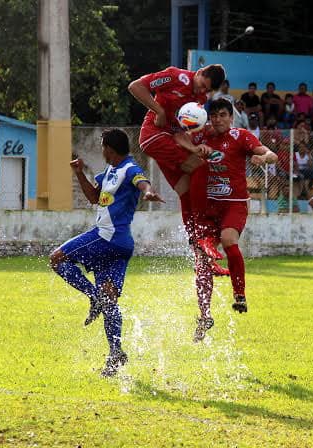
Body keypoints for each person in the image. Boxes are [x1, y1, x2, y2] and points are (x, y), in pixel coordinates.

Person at [50, 129, 164, 377]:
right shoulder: (109, 172)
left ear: (109, 148)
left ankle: (93, 297)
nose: (101, 151)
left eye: (102, 146)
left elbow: (141, 181)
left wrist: (148, 191)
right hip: (121, 246)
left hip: (105, 236)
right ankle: (115, 353)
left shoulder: (129, 169)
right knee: (110, 298)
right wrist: (79, 172)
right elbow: (93, 197)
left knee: (57, 259)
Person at [175, 98, 278, 339]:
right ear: (208, 118)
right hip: (207, 207)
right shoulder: (201, 137)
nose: (218, 119)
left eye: (223, 115)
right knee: (201, 261)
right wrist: (195, 153)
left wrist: (264, 158)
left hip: (234, 204)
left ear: (231, 117)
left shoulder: (240, 136)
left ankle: (239, 295)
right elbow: (185, 164)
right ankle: (204, 316)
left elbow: (270, 153)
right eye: (215, 116)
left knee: (229, 240)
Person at [128, 63, 225, 234]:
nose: (202, 91)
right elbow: (135, 86)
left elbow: (180, 133)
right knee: (200, 167)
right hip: (154, 136)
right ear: (199, 72)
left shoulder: (200, 100)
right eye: (202, 85)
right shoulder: (175, 76)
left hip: (171, 140)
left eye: (206, 90)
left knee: (186, 189)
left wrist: (194, 148)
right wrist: (159, 111)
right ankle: (203, 230)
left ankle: (197, 248)